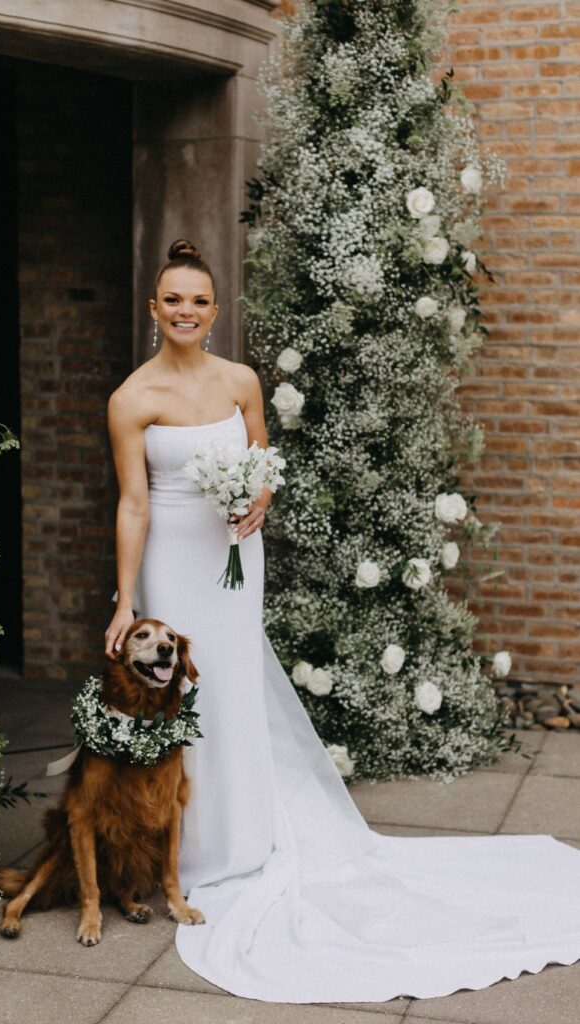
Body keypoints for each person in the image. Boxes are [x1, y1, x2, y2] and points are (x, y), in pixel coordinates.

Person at [103, 239, 580, 1004]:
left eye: (198, 300)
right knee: (180, 701)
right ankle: (181, 853)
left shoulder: (240, 381)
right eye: (172, 299)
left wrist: (255, 501)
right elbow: (131, 502)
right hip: (170, 561)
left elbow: (260, 462)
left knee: (232, 690)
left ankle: (244, 837)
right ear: (153, 306)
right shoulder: (132, 397)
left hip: (231, 560)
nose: (185, 311)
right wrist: (127, 600)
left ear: (214, 311)